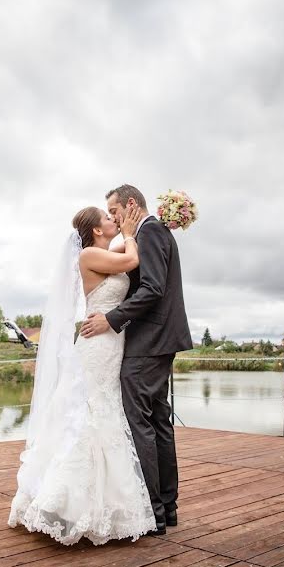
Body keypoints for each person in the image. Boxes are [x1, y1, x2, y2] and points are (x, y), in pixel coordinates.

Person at [8, 202, 158, 545]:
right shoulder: (89, 255)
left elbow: (124, 248)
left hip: (110, 343)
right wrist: (131, 233)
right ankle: (62, 501)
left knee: (103, 411)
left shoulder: (104, 250)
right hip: (97, 345)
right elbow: (131, 259)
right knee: (90, 414)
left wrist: (143, 225)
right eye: (108, 218)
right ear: (94, 230)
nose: (113, 220)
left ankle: (106, 509)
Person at [80, 184, 193, 535]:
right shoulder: (141, 234)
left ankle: (154, 511)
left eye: (113, 210)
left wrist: (112, 319)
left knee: (140, 420)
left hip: (150, 341)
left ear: (130, 205)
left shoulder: (151, 231)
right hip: (154, 339)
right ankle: (166, 508)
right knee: (158, 420)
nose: (112, 217)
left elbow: (152, 288)